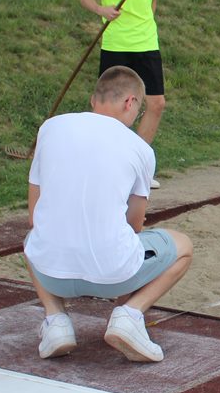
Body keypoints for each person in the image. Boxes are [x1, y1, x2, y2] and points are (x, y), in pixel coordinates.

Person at [24, 66, 194, 362]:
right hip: (114, 276)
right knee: (183, 247)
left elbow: (34, 213)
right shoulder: (140, 148)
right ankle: (130, 314)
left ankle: (55, 319)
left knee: (34, 235)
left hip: (51, 274)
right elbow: (135, 224)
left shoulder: (50, 128)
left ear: (94, 99)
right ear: (130, 102)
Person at [80, 0, 169, 185]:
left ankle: (137, 167)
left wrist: (145, 24)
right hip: (117, 44)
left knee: (156, 103)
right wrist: (102, 10)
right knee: (108, 108)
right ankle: (102, 166)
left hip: (147, 43)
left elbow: (152, 1)